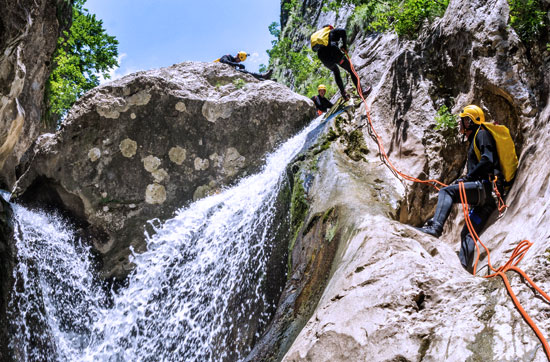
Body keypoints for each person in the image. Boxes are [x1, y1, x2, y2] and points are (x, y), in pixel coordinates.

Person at [416, 105, 503, 273]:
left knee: (447, 191)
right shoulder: (475, 139)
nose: (460, 123)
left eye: (462, 120)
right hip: (484, 201)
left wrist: (468, 178)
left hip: (483, 189)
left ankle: (435, 228)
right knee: (467, 234)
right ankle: (463, 269)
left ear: (469, 121)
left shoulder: (482, 134)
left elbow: (487, 161)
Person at [311, 25, 371, 101]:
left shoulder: (320, 39)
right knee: (351, 70)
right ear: (330, 27)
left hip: (323, 57)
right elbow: (343, 31)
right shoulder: (331, 31)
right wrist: (344, 46)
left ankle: (344, 95)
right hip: (334, 52)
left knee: (336, 72)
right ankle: (361, 92)